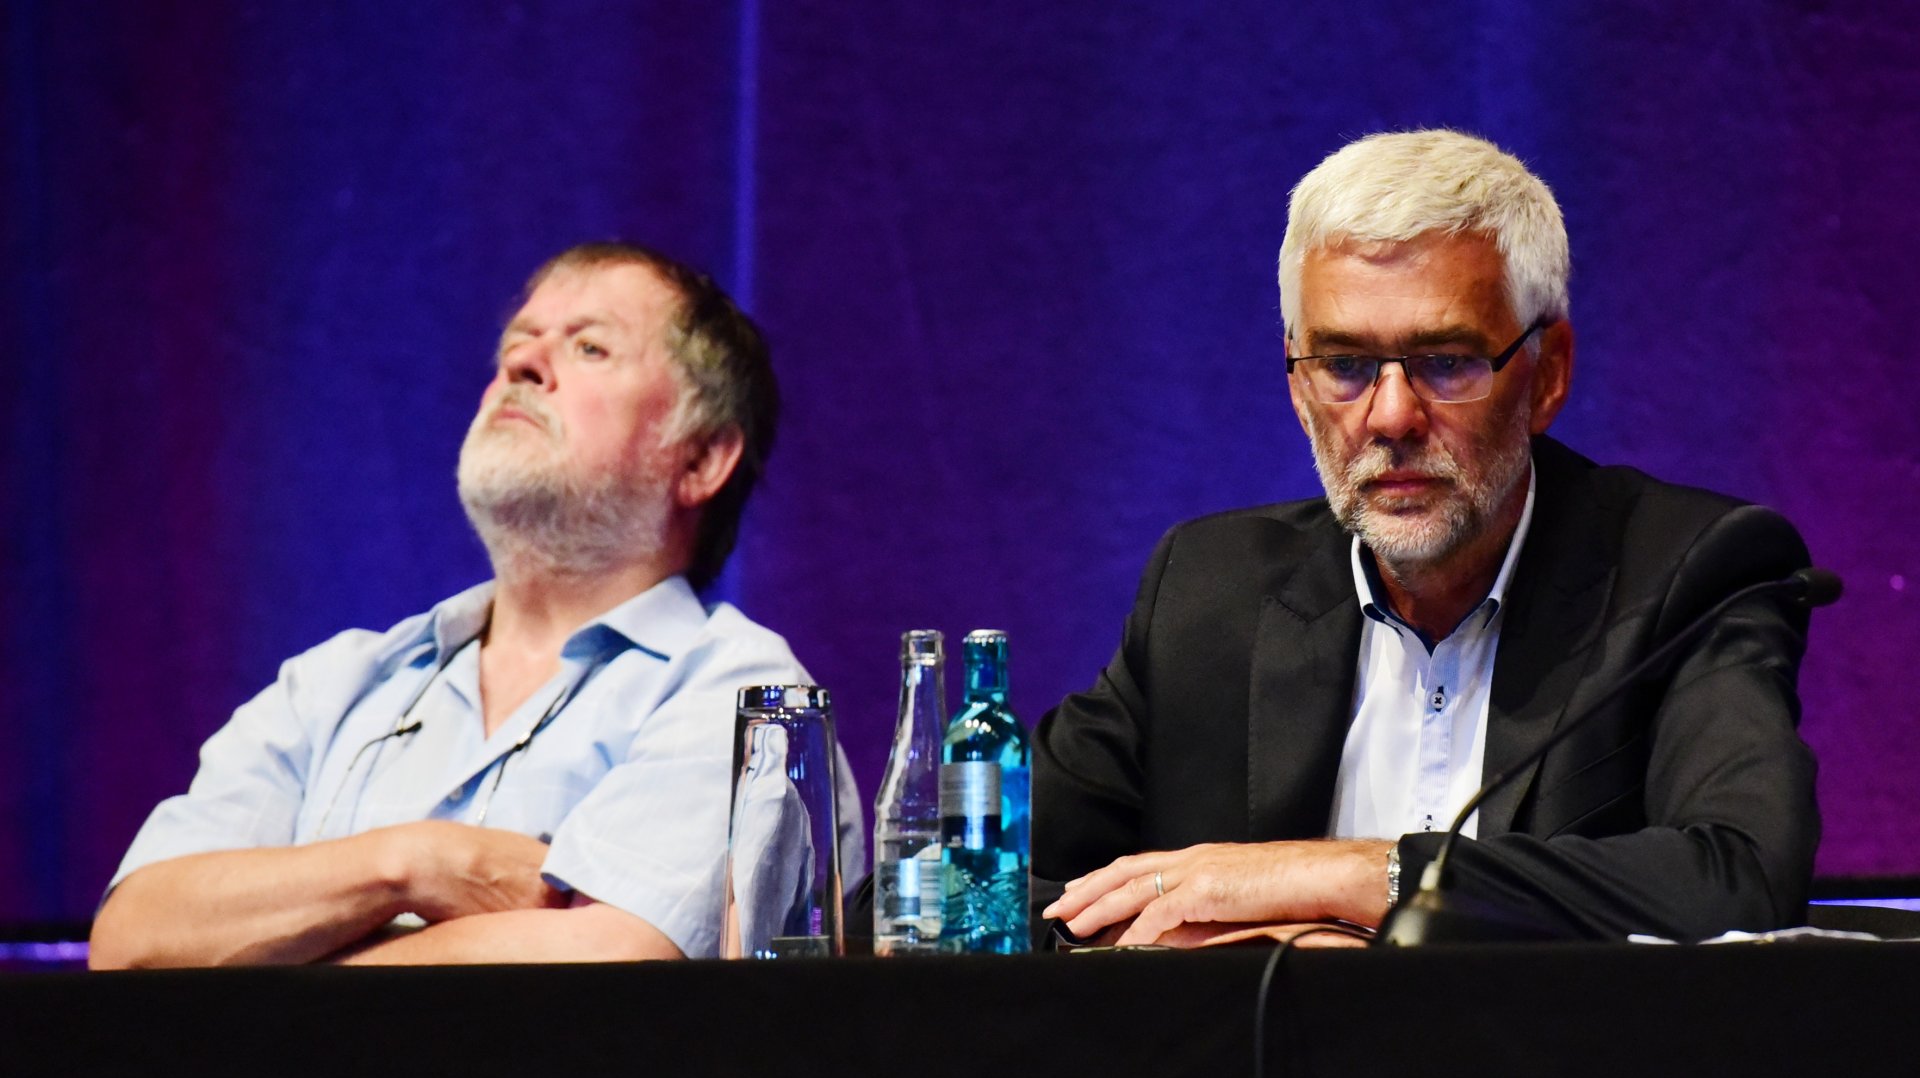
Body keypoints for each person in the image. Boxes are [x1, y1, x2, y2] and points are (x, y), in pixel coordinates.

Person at [1036, 129, 1818, 947]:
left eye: (1446, 362)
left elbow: (1743, 879)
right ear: (1299, 389)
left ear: (1547, 375)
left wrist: (1363, 877)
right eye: (1344, 365)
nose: (1393, 416)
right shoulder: (1208, 595)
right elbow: (936, 893)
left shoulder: (1689, 574)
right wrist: (1188, 947)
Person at [91, 242, 862, 968]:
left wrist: (272, 957)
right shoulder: (333, 687)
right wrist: (414, 864)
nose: (523, 363)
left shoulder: (744, 699)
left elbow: (610, 968)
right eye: (515, 346)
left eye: (588, 348)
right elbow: (134, 937)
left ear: (699, 459)